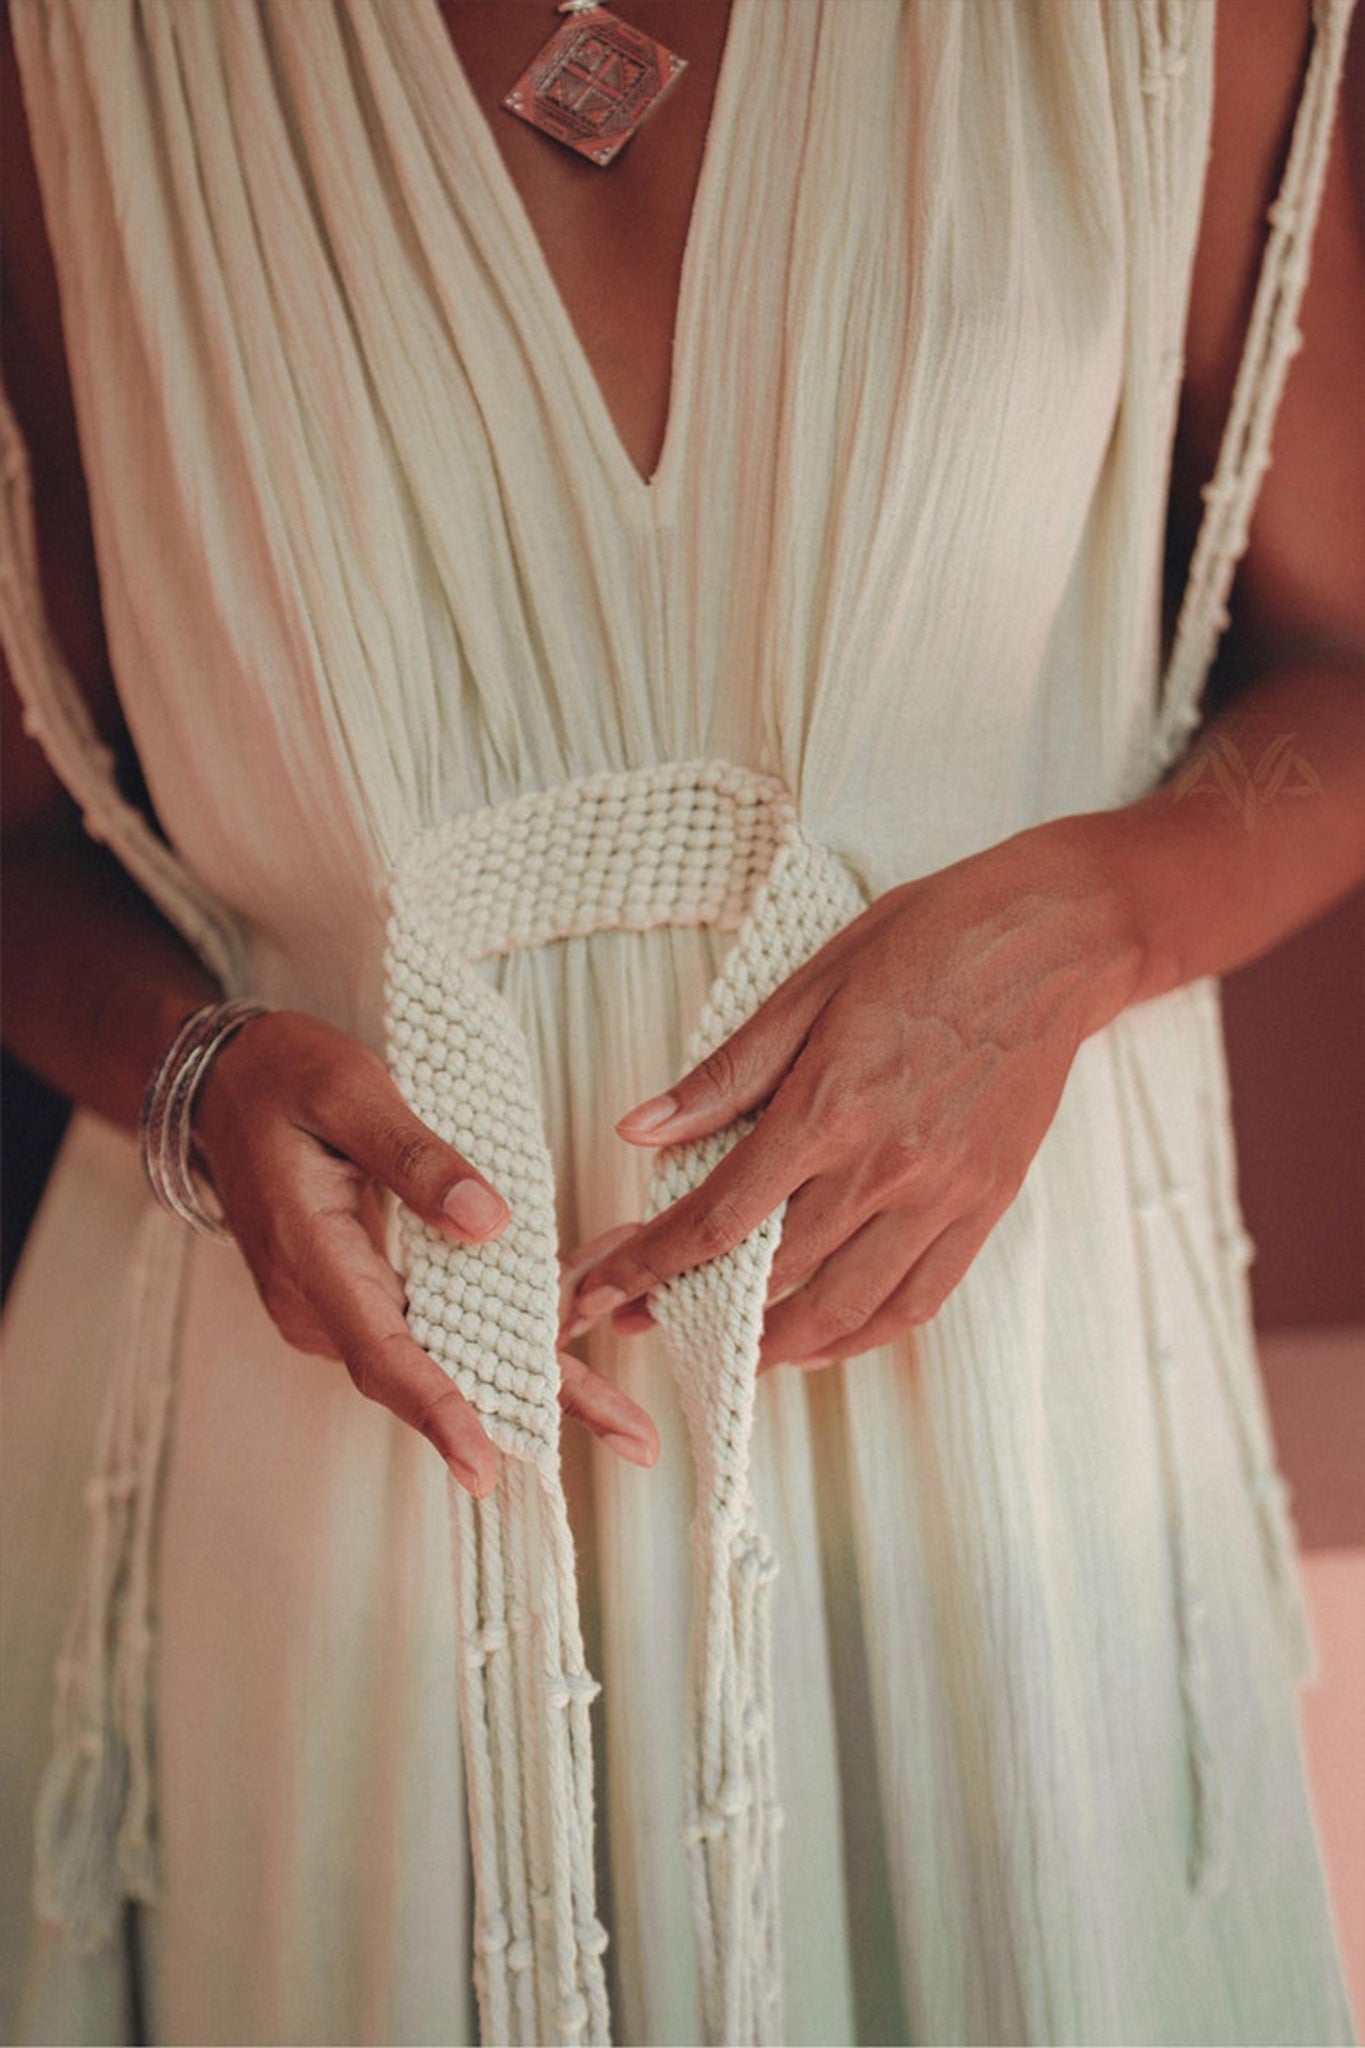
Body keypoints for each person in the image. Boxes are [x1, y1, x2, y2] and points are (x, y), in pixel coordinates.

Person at [2, 0, 1362, 2042]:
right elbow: (18, 839)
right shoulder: (73, 55)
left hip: (993, 1465)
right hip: (333, 1508)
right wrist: (195, 1083)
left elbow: (1347, 667)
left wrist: (1076, 928)